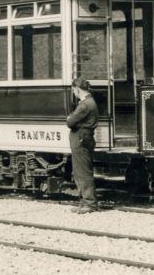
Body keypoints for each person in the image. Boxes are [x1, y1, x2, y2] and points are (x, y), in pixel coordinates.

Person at [67, 77, 99, 213]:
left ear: (77, 89)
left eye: (74, 90)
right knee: (80, 171)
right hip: (83, 138)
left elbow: (70, 122)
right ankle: (84, 202)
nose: (74, 92)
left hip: (81, 139)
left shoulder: (85, 105)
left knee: (83, 171)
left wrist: (70, 118)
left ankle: (89, 204)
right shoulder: (88, 102)